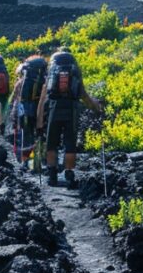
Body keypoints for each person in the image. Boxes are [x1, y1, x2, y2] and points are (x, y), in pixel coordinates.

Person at [36, 47, 101, 189]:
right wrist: (95, 107)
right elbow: (83, 94)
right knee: (70, 142)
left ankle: (52, 175)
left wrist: (39, 118)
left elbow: (44, 95)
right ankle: (69, 175)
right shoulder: (75, 70)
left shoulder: (52, 69)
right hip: (72, 108)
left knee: (51, 142)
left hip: (54, 107)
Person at [10, 52, 48, 169]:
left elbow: (13, 99)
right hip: (40, 111)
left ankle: (27, 162)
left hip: (24, 111)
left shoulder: (21, 82)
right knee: (41, 134)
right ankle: (42, 161)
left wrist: (12, 113)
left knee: (27, 136)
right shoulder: (44, 80)